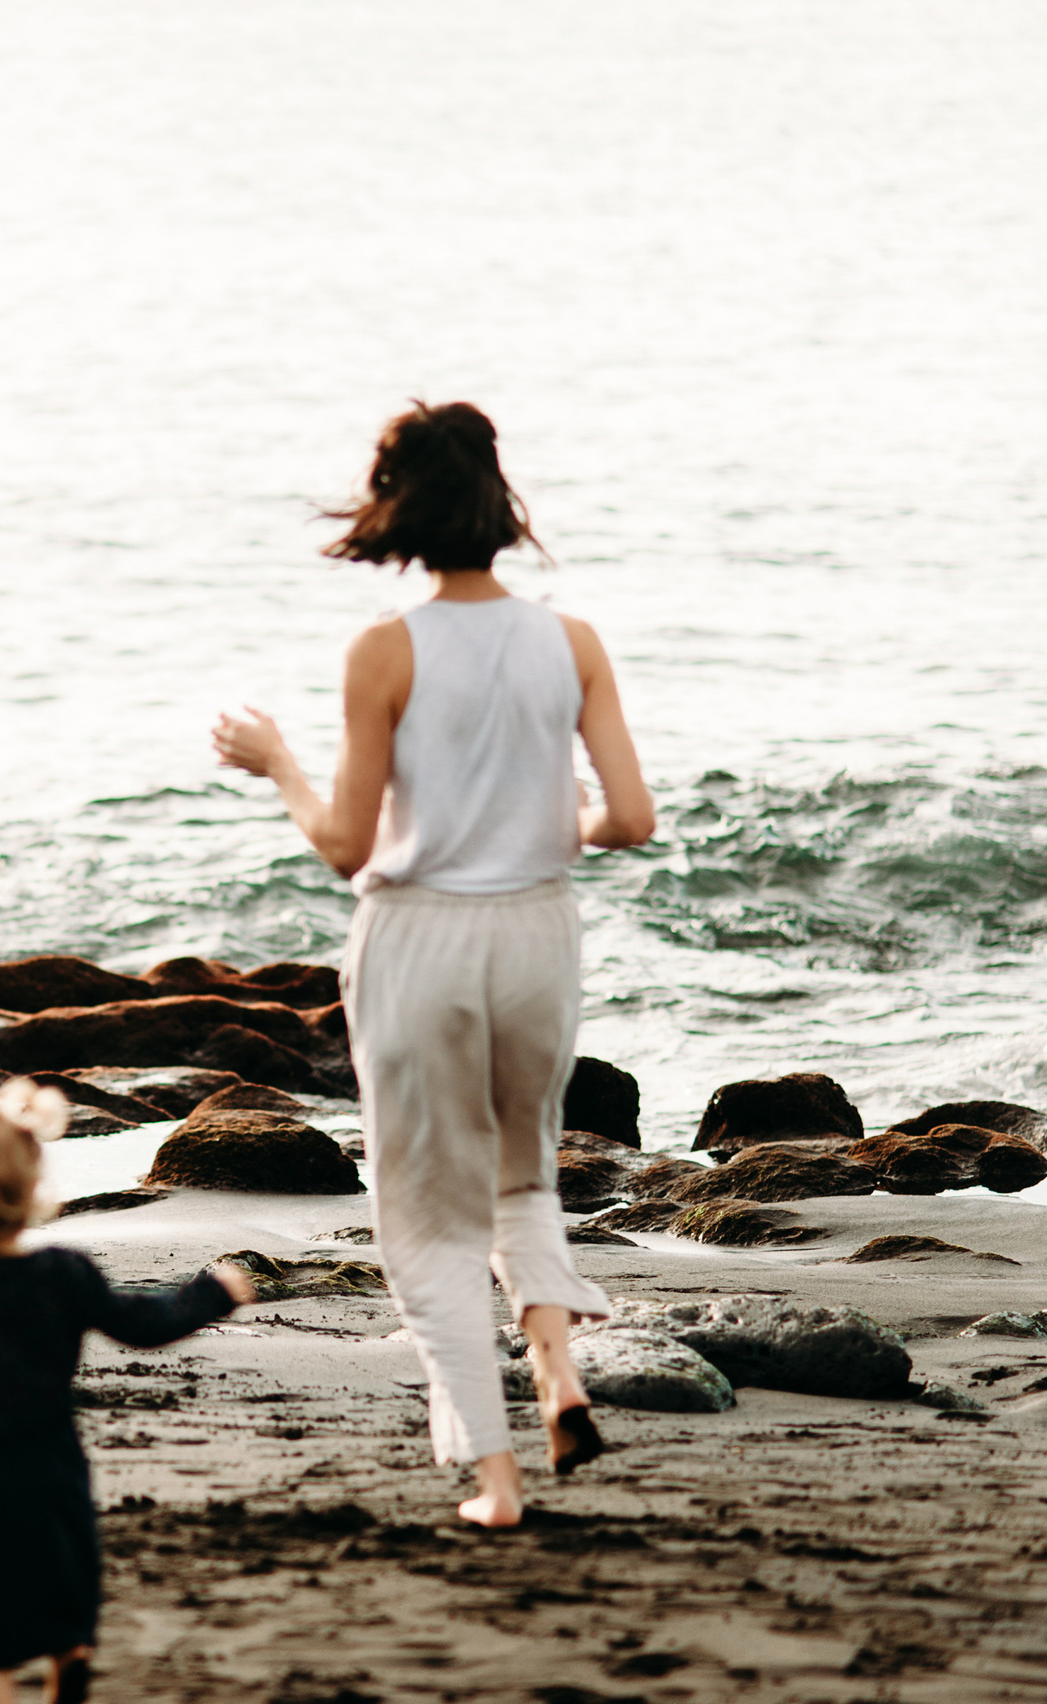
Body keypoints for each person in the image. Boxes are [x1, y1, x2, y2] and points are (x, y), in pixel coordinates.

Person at [210, 399, 655, 1528]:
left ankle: (496, 1482)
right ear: (500, 501)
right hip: (537, 934)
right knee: (522, 1178)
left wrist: (278, 765)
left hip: (420, 940)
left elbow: (346, 844)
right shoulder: (572, 641)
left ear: (396, 507)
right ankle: (558, 1375)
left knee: (424, 1216)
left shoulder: (385, 650)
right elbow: (631, 819)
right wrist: (551, 821)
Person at [0, 1082, 257, 1704]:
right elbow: (143, 1324)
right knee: (60, 1564)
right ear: (31, 1184)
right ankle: (70, 1655)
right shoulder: (63, 1273)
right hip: (47, 1458)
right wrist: (211, 1294)